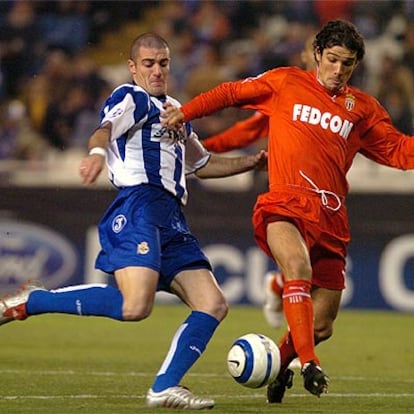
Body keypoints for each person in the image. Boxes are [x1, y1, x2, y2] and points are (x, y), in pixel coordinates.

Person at [0, 32, 267, 410]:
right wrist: (95, 153)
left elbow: (202, 165)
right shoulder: (131, 97)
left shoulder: (176, 109)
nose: (157, 71)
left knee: (213, 303)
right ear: (133, 67)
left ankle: (164, 387)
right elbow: (104, 129)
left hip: (173, 218)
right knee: (135, 306)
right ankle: (33, 300)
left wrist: (250, 161)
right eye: (148, 63)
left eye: (163, 63)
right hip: (138, 205)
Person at [162, 19, 414, 403]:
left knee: (324, 323)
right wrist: (188, 112)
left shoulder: (363, 109)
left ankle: (279, 368)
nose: (337, 70)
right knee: (297, 268)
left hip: (331, 217)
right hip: (285, 202)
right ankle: (309, 363)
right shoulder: (286, 82)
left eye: (347, 64)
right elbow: (232, 92)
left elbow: (398, 151)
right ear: (317, 54)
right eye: (331, 59)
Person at [201, 33, 317, 330]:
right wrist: (203, 148)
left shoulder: (345, 101)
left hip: (326, 195)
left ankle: (278, 286)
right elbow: (246, 132)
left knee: (310, 266)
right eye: (315, 52)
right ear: (304, 58)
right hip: (286, 189)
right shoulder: (290, 93)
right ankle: (294, 349)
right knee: (300, 268)